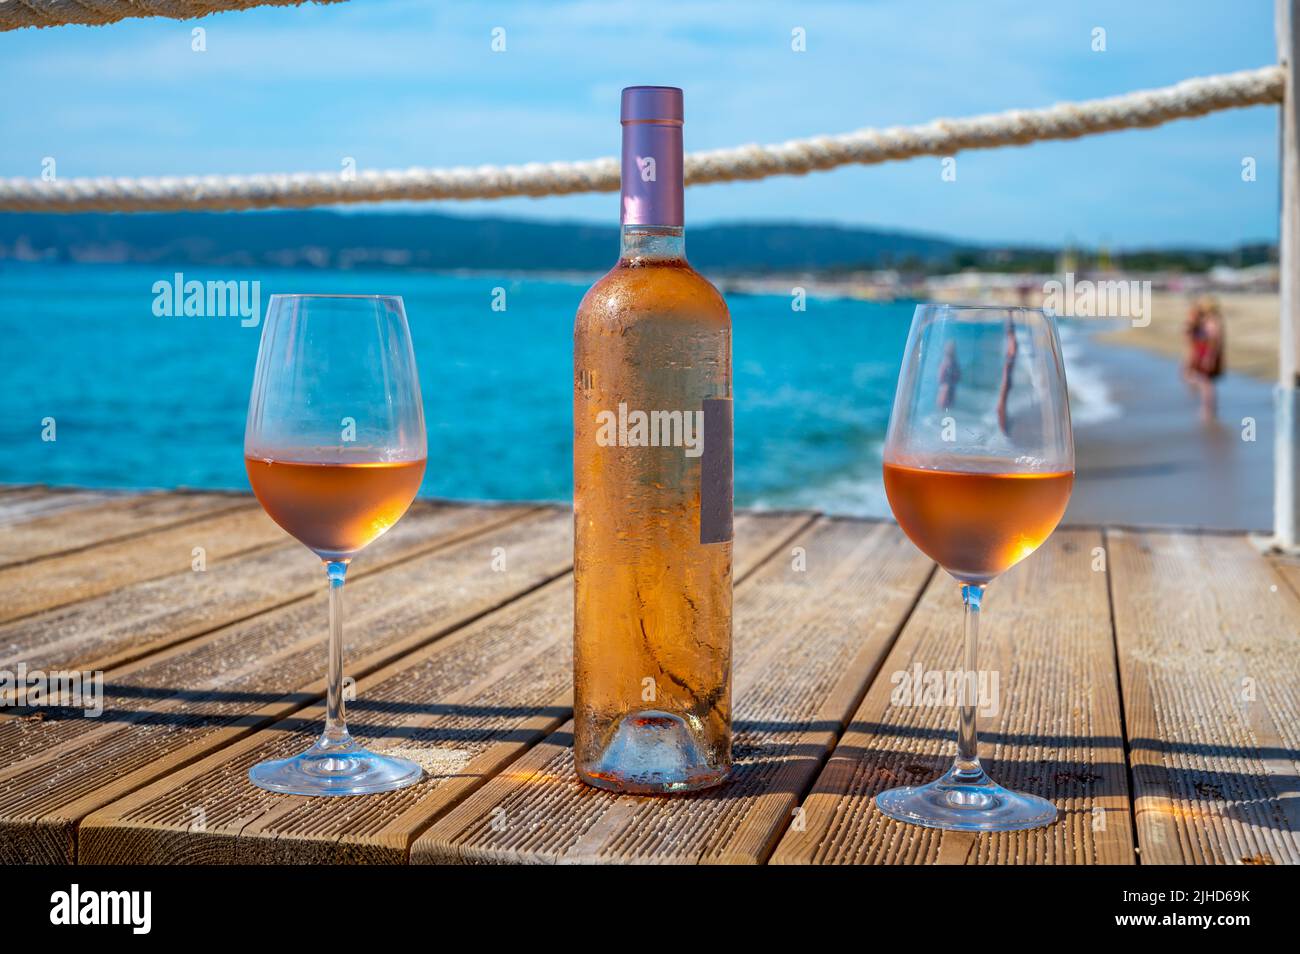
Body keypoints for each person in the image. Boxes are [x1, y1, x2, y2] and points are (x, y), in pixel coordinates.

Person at [1184, 295, 1225, 421]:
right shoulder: (1205, 320)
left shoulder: (1213, 321)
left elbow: (1214, 341)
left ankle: (1208, 409)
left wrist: (1209, 357)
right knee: (1203, 382)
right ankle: (1207, 408)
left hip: (1207, 354)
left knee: (1206, 383)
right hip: (1203, 352)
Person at [937, 340, 960, 410]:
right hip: (946, 388)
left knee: (949, 408)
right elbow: (940, 377)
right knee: (944, 407)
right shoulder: (946, 362)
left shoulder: (953, 363)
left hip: (950, 388)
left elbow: (958, 376)